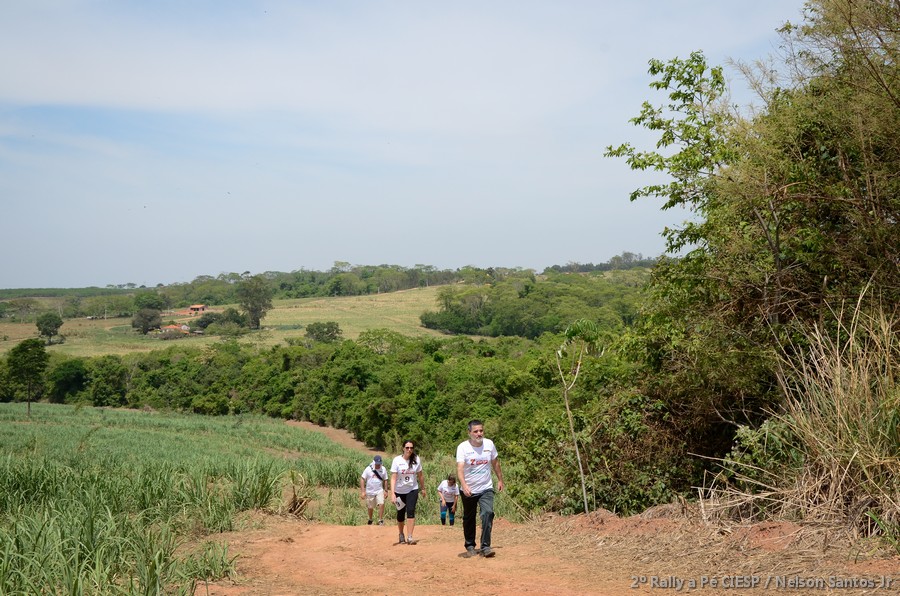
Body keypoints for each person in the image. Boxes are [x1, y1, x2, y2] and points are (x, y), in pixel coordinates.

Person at [456, 419, 504, 558]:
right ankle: (470, 545)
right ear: (469, 432)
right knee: (469, 517)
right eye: (475, 431)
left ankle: (485, 547)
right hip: (469, 489)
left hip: (486, 487)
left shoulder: (489, 444)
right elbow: (460, 469)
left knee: (488, 513)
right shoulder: (463, 447)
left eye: (481, 431)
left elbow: (495, 463)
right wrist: (464, 485)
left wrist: (500, 480)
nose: (479, 434)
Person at [390, 439, 425, 545]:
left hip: (412, 489)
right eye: (407, 447)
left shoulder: (416, 459)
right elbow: (393, 478)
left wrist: (423, 488)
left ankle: (410, 537)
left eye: (411, 448)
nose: (409, 450)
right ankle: (401, 534)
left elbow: (420, 475)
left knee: (411, 511)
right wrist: (392, 493)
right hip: (399, 491)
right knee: (400, 513)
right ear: (403, 448)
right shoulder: (397, 460)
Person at [359, 455, 388, 525]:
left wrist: (386, 490)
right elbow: (362, 479)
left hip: (379, 490)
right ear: (373, 462)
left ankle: (380, 520)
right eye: (377, 464)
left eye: (379, 464)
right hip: (370, 491)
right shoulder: (368, 469)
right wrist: (363, 491)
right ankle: (370, 519)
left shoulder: (383, 469)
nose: (378, 465)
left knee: (381, 503)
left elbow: (385, 479)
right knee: (370, 507)